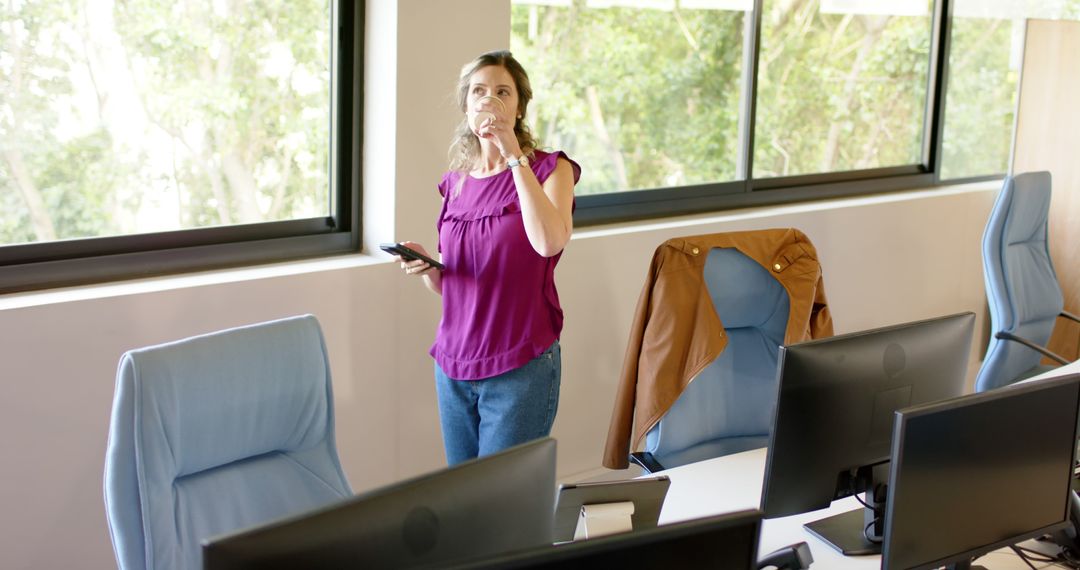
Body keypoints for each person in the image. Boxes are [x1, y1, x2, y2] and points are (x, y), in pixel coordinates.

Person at [394, 50, 581, 465]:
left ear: (518, 107)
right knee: (465, 502)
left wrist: (513, 155)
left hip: (520, 365)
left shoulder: (553, 170)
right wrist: (430, 266)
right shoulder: (455, 183)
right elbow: (455, 287)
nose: (489, 100)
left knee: (506, 504)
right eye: (479, 91)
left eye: (502, 92)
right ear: (466, 106)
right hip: (453, 366)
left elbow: (549, 242)